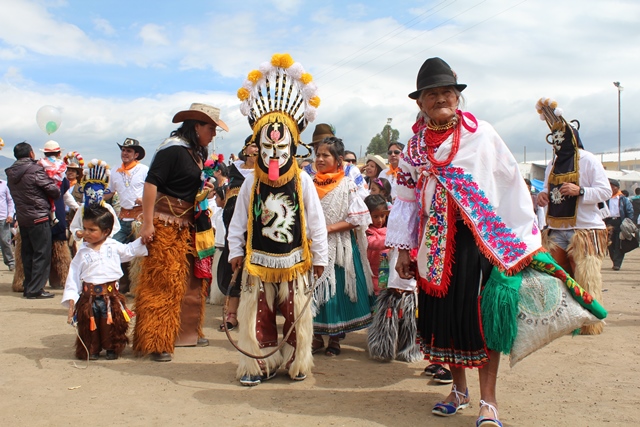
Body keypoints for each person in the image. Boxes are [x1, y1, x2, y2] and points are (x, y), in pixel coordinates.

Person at [387, 57, 543, 426]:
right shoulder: (413, 148)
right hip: (433, 248)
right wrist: (403, 249)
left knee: (482, 321)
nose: (440, 98)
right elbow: (405, 202)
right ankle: (458, 390)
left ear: (457, 98)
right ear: (420, 103)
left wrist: (518, 239)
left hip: (480, 245)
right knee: (447, 321)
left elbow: (509, 184)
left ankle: (488, 402)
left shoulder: (481, 135)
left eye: (446, 92)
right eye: (431, 94)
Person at [230, 53, 328, 386]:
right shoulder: (250, 182)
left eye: (282, 149)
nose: (275, 156)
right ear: (257, 146)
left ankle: (295, 361)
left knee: (295, 315)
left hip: (295, 261)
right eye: (268, 149)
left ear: (293, 147)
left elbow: (315, 222)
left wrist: (321, 259)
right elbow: (238, 222)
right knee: (258, 314)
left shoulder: (302, 181)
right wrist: (233, 252)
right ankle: (258, 364)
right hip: (257, 261)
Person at [134, 102, 227, 362]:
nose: (214, 133)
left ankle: (185, 333)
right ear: (196, 126)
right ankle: (156, 340)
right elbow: (152, 183)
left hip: (191, 224)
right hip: (166, 224)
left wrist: (204, 191)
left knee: (192, 280)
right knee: (164, 281)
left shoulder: (196, 152)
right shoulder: (172, 149)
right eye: (211, 128)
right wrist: (148, 222)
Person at [535, 98, 611, 334]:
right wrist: (543, 196)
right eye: (554, 140)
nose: (558, 144)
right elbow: (548, 191)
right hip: (556, 229)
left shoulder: (588, 160)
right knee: (555, 276)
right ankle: (564, 321)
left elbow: (605, 191)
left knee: (585, 278)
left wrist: (581, 191)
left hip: (585, 230)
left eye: (561, 138)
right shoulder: (553, 163)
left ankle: (589, 323)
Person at [311, 136, 374, 357]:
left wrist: (327, 230)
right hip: (313, 247)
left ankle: (335, 339)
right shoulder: (308, 183)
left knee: (336, 291)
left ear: (338, 160)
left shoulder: (348, 185)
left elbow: (357, 219)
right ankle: (316, 337)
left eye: (325, 155)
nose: (319, 159)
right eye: (317, 154)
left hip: (339, 247)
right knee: (312, 290)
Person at [61, 204, 147, 360]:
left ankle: (111, 348)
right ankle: (92, 350)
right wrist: (71, 298)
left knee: (111, 324)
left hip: (111, 296)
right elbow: (73, 275)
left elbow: (130, 251)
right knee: (90, 326)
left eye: (91, 230)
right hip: (89, 297)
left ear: (106, 231)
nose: (86, 233)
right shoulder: (82, 251)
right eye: (85, 228)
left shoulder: (113, 246)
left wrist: (144, 238)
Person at [366, 195, 423, 364]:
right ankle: (383, 346)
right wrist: (393, 239)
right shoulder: (397, 216)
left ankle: (408, 348)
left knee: (410, 315)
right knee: (388, 309)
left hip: (412, 267)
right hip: (392, 269)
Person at [6, 142, 60, 299]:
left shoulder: (11, 172)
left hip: (23, 217)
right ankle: (36, 289)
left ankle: (28, 286)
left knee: (27, 253)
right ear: (31, 154)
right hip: (39, 216)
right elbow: (53, 191)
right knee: (42, 253)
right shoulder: (35, 170)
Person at [216, 138, 259, 330]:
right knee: (234, 272)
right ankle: (231, 315)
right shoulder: (235, 172)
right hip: (237, 230)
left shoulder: (267, 173)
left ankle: (256, 317)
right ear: (245, 148)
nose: (256, 148)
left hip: (259, 234)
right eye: (253, 144)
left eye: (259, 145)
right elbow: (229, 203)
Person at [104, 138, 148, 294]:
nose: (125, 153)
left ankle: (139, 289)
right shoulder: (115, 170)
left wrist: (145, 199)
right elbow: (109, 193)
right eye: (123, 150)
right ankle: (119, 287)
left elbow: (155, 191)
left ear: (136, 154)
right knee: (113, 249)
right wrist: (95, 192)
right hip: (122, 218)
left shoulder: (144, 170)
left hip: (140, 218)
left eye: (129, 151)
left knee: (140, 254)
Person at [303, 124, 369, 200]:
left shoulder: (350, 170)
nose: (321, 147)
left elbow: (363, 195)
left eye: (326, 143)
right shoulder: (306, 172)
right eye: (317, 146)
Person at [605, 178, 634, 271]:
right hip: (609, 222)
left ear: (617, 188)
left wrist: (627, 222)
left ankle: (617, 263)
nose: (610, 188)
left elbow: (629, 211)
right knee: (610, 244)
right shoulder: (606, 199)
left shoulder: (623, 199)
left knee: (619, 244)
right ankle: (614, 260)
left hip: (620, 222)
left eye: (612, 187)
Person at [37, 140, 67, 225]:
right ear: (59, 153)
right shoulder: (62, 165)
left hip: (40, 211)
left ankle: (53, 217)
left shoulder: (41, 163)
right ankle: (53, 217)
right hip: (58, 191)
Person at [364, 194, 389, 295]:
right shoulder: (368, 232)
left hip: (385, 269)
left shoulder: (388, 230)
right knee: (374, 294)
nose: (380, 220)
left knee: (383, 293)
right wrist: (389, 242)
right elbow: (372, 243)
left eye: (382, 216)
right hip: (372, 273)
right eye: (375, 216)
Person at [0, 178, 15, 271]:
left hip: (3, 218)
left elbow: (10, 201)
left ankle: (10, 262)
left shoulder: (4, 184)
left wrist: (10, 214)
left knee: (5, 241)